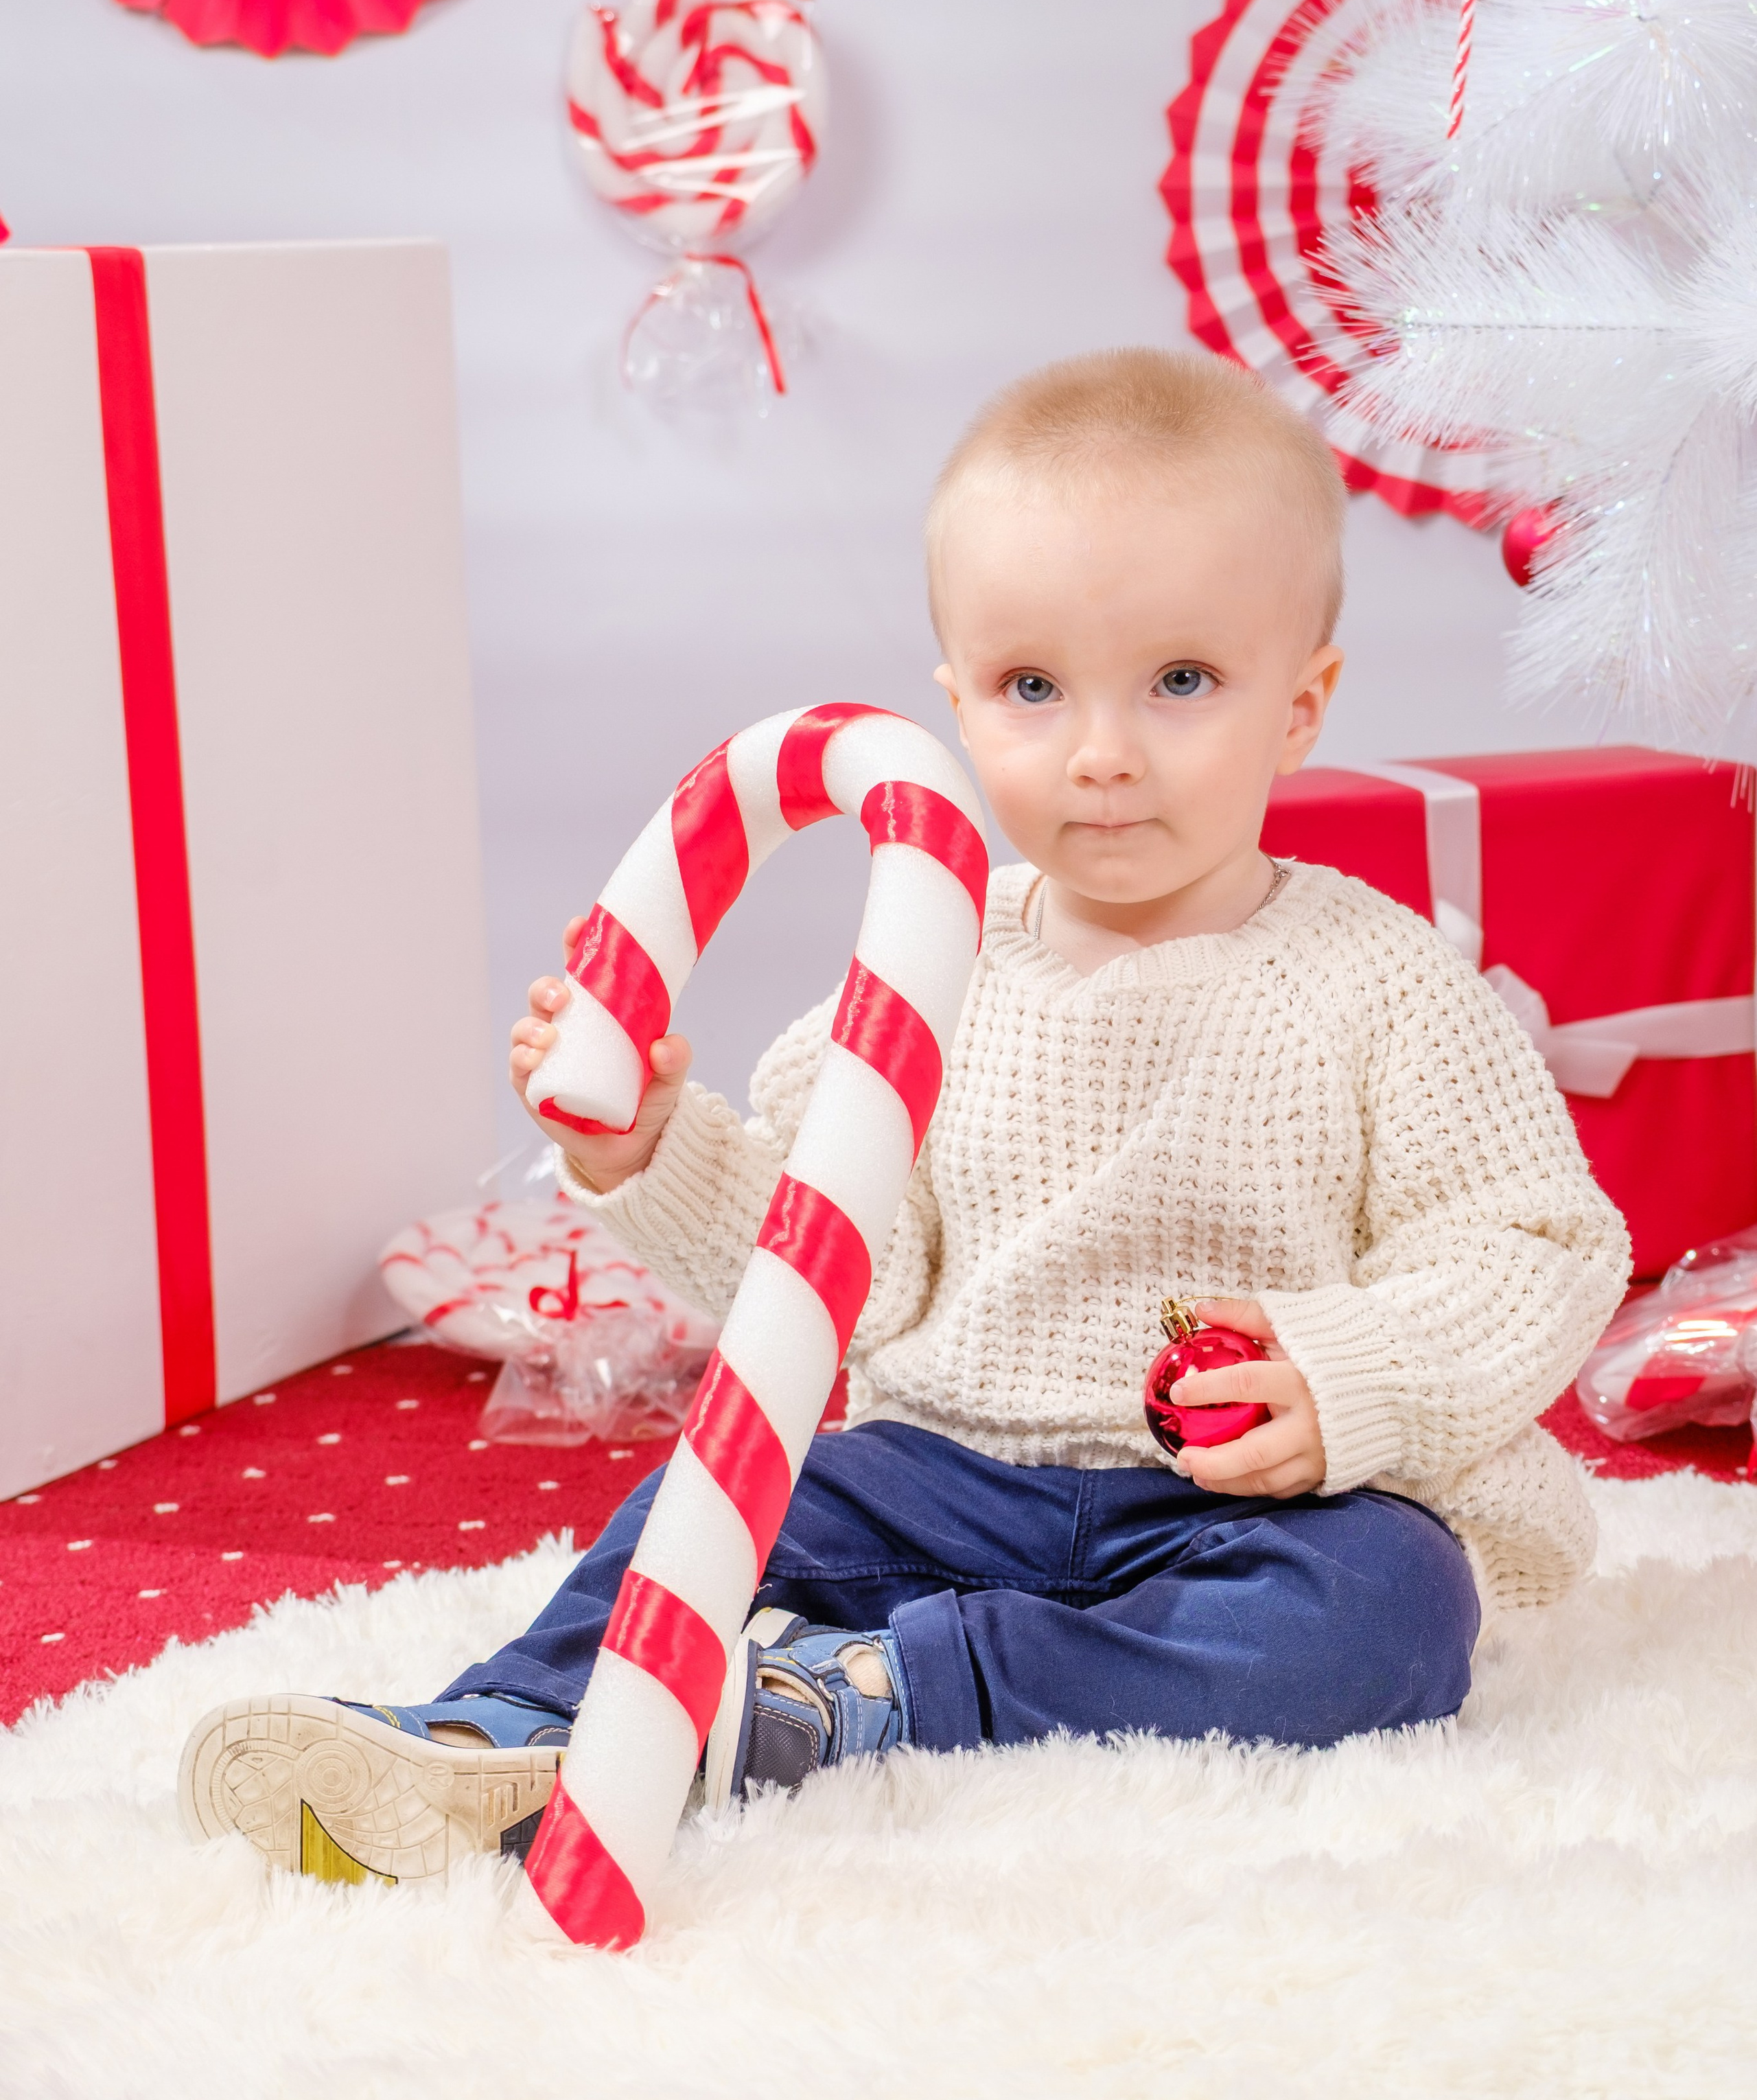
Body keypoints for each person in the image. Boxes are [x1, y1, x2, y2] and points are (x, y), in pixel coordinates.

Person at [180, 346, 1629, 1886]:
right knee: (735, 1485)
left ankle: (874, 1699)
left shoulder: (1379, 981)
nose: (1101, 751)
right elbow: (814, 1274)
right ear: (953, 703)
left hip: (1234, 1514)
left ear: (1300, 706)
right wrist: (651, 1151)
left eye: (1181, 683)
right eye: (1029, 688)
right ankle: (487, 1731)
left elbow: (1533, 1244)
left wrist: (1349, 1383)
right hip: (949, 1471)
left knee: (1387, 1608)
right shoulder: (931, 967)